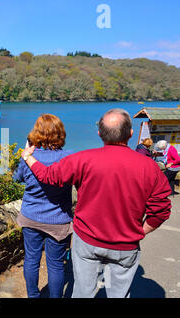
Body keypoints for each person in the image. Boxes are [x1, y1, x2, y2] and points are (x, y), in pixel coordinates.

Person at [21, 108, 171, 298]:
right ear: (131, 134)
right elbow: (161, 209)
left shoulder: (82, 160)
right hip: (126, 245)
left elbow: (49, 176)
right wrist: (142, 230)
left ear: (99, 133)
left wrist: (28, 157)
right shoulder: (149, 167)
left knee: (83, 292)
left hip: (87, 241)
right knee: (119, 294)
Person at [13, 114, 73, 298]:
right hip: (58, 220)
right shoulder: (69, 157)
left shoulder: (28, 157)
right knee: (55, 264)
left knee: (31, 259)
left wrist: (26, 152)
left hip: (31, 216)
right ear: (60, 133)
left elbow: (17, 178)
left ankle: (33, 295)